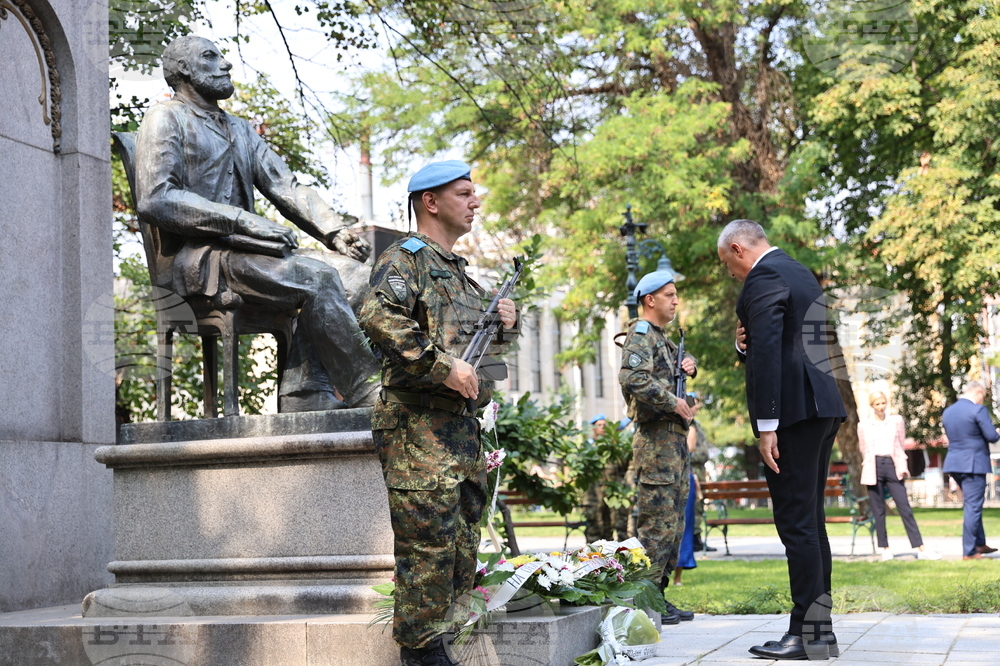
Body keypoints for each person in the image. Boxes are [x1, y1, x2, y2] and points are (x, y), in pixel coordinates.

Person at [135, 35, 378, 410]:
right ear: (183, 69)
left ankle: (306, 391)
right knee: (318, 277)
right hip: (202, 260)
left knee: (361, 277)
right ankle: (367, 390)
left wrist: (334, 231)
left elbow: (286, 186)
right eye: (210, 57)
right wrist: (242, 221)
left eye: (222, 56)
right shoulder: (164, 117)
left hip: (251, 255)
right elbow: (156, 198)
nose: (225, 64)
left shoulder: (240, 129)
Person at [358, 160, 519, 666]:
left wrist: (504, 327)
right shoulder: (403, 260)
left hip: (460, 432)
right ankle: (421, 655)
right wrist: (441, 366)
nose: (476, 202)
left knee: (457, 552)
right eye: (465, 193)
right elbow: (378, 316)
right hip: (417, 429)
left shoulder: (464, 280)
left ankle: (440, 645)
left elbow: (486, 370)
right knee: (426, 552)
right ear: (431, 202)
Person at [717, 219, 847, 661]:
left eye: (727, 265)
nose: (731, 275)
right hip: (823, 405)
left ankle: (805, 635)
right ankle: (820, 633)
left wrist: (766, 424)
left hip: (792, 413)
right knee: (811, 522)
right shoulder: (800, 271)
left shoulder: (763, 277)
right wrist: (742, 346)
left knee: (796, 525)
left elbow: (770, 350)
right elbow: (794, 338)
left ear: (738, 249)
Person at [618, 268, 697, 626]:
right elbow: (633, 378)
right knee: (656, 526)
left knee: (674, 524)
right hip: (655, 441)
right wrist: (672, 402)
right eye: (669, 294)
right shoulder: (641, 333)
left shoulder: (663, 340)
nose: (676, 300)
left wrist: (688, 381)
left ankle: (658, 598)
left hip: (674, 441)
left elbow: (667, 385)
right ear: (649, 300)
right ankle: (643, 601)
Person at [858, 391, 940, 561]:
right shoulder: (864, 425)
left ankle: (920, 547)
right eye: (877, 404)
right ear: (872, 406)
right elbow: (863, 448)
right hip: (873, 467)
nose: (881, 407)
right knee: (878, 510)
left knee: (905, 508)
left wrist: (901, 465)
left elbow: (900, 445)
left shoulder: (896, 421)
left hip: (892, 465)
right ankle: (885, 549)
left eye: (883, 403)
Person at [942, 381, 1000, 560]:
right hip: (973, 464)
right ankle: (969, 551)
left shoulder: (948, 411)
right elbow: (991, 436)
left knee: (972, 504)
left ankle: (980, 543)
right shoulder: (978, 410)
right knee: (973, 506)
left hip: (954, 463)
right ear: (978, 392)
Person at [687, 394, 717, 552]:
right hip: (692, 470)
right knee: (694, 505)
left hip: (699, 470)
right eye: (695, 404)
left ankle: (697, 538)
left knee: (699, 506)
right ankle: (693, 540)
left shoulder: (696, 424)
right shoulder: (687, 424)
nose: (697, 407)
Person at [582, 414, 614, 542]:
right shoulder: (587, 447)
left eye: (604, 425)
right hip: (593, 496)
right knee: (593, 529)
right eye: (599, 425)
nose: (602, 427)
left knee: (609, 528)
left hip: (610, 495)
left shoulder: (612, 448)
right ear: (593, 428)